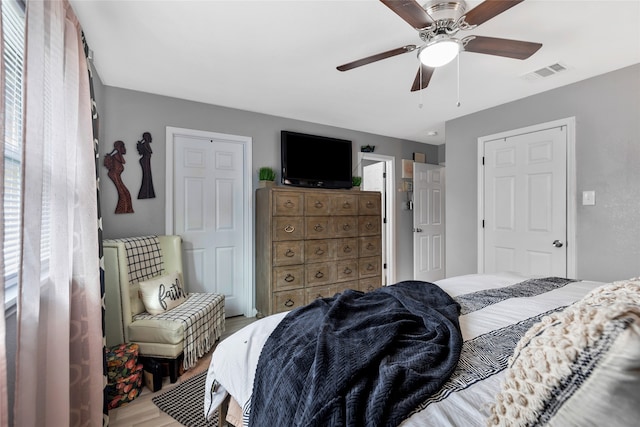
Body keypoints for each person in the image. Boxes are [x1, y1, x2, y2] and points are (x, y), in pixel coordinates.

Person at [104, 140, 134, 214]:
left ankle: (126, 209)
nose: (125, 149)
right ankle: (122, 210)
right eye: (123, 147)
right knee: (123, 194)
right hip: (114, 176)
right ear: (119, 148)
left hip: (117, 176)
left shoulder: (118, 157)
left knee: (126, 194)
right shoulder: (116, 157)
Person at [136, 131, 156, 199]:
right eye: (149, 136)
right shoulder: (145, 144)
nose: (151, 138)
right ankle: (145, 194)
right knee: (146, 177)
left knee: (148, 177)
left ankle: (148, 193)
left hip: (147, 161)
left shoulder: (146, 144)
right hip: (145, 161)